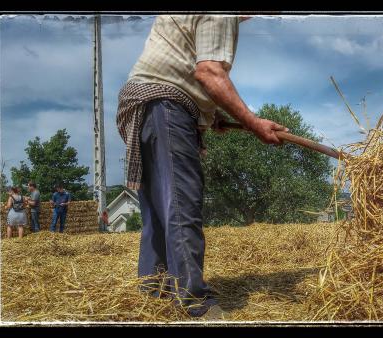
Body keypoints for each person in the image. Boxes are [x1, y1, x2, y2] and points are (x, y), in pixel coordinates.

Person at [116, 15, 288, 319]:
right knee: (181, 202)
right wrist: (253, 122)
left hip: (144, 101)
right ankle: (194, 300)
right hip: (165, 103)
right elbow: (208, 72)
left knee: (160, 205)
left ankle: (154, 291)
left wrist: (212, 114)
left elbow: (189, 69)